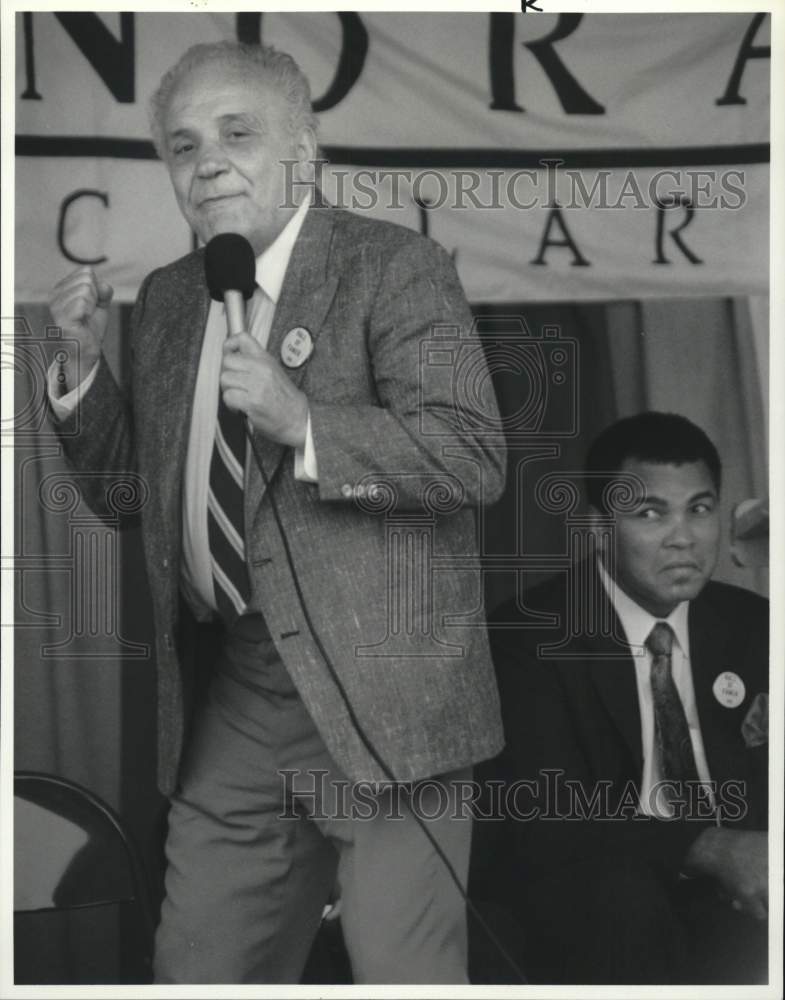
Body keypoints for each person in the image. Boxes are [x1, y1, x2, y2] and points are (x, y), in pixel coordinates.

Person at [47, 41, 506, 984]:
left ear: (305, 149)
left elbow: (471, 457)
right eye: (181, 146)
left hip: (386, 688)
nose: (205, 161)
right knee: (201, 965)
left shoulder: (397, 266)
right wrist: (84, 375)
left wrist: (304, 422)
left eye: (236, 133)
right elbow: (133, 498)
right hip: (241, 690)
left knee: (400, 969)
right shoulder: (174, 298)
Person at [475, 412, 768, 985]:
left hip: (739, 894)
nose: (683, 537)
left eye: (700, 509)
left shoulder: (756, 625)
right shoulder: (529, 634)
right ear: (598, 529)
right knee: (618, 902)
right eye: (650, 513)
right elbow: (545, 812)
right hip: (602, 899)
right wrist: (708, 847)